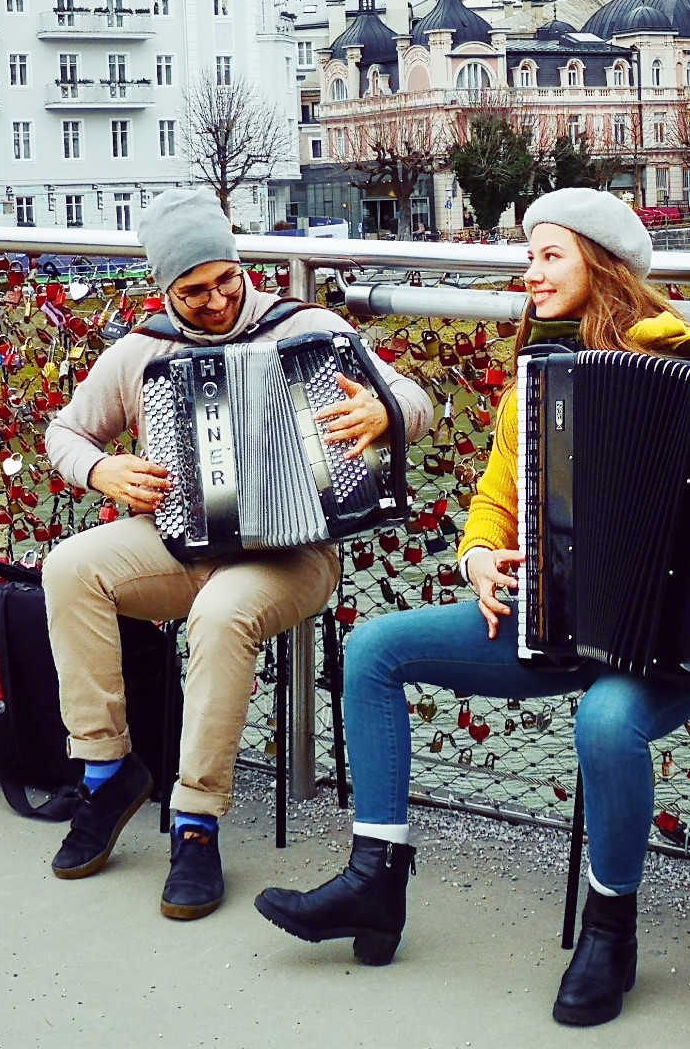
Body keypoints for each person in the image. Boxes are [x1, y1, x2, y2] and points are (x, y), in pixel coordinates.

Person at [255, 188, 690, 1027]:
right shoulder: (536, 382)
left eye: (550, 254)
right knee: (374, 649)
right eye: (530, 256)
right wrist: (478, 557)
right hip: (551, 623)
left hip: (680, 644)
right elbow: (491, 501)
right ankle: (375, 882)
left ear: (603, 263)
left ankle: (610, 932)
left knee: (604, 720)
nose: (531, 271)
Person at [41, 189, 436, 920]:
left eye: (227, 279)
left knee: (222, 614)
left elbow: (419, 403)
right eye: (194, 291)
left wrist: (387, 410)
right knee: (68, 566)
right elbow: (64, 433)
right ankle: (106, 771)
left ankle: (196, 824)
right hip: (184, 542)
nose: (218, 301)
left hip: (296, 552)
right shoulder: (143, 350)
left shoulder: (308, 326)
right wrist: (101, 471)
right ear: (165, 288)